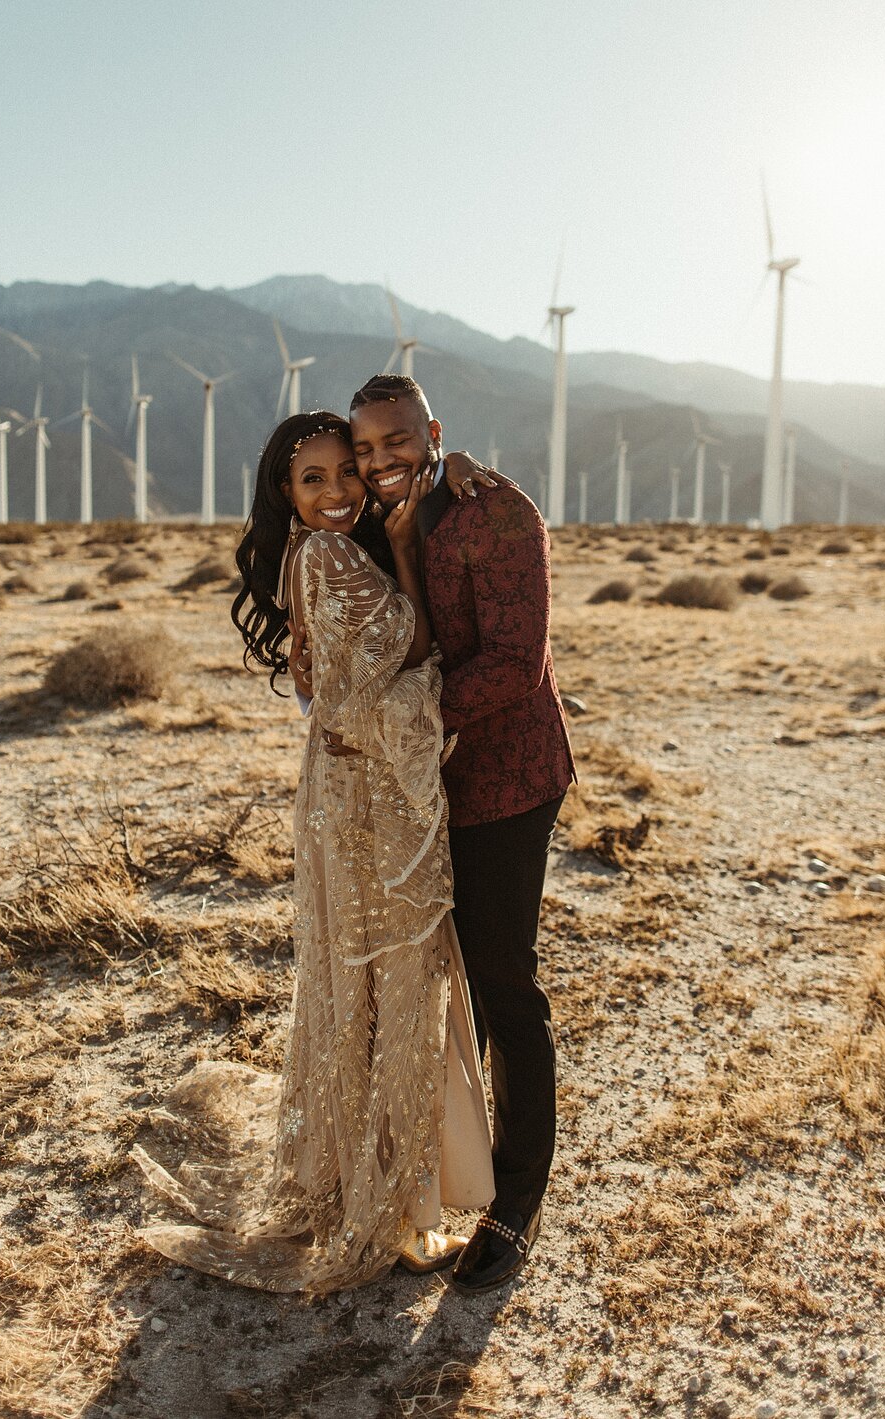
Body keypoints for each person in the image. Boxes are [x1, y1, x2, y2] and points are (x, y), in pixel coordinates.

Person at [129, 411, 495, 1294]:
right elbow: (406, 647)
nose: (337, 492)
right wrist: (409, 558)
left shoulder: (316, 553)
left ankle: (357, 1179)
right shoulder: (330, 556)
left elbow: (341, 680)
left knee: (359, 983)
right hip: (369, 809)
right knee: (395, 982)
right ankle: (398, 1212)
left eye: (347, 473)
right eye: (314, 480)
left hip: (346, 799)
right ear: (284, 494)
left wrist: (449, 473)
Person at [303, 374, 577, 1294]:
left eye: (397, 442)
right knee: (438, 985)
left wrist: (404, 723)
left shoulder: (496, 513)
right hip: (419, 797)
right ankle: (441, 1175)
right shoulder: (376, 528)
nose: (379, 463)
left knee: (504, 984)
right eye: (365, 449)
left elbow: (516, 659)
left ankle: (516, 1202)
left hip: (505, 781)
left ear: (434, 432)